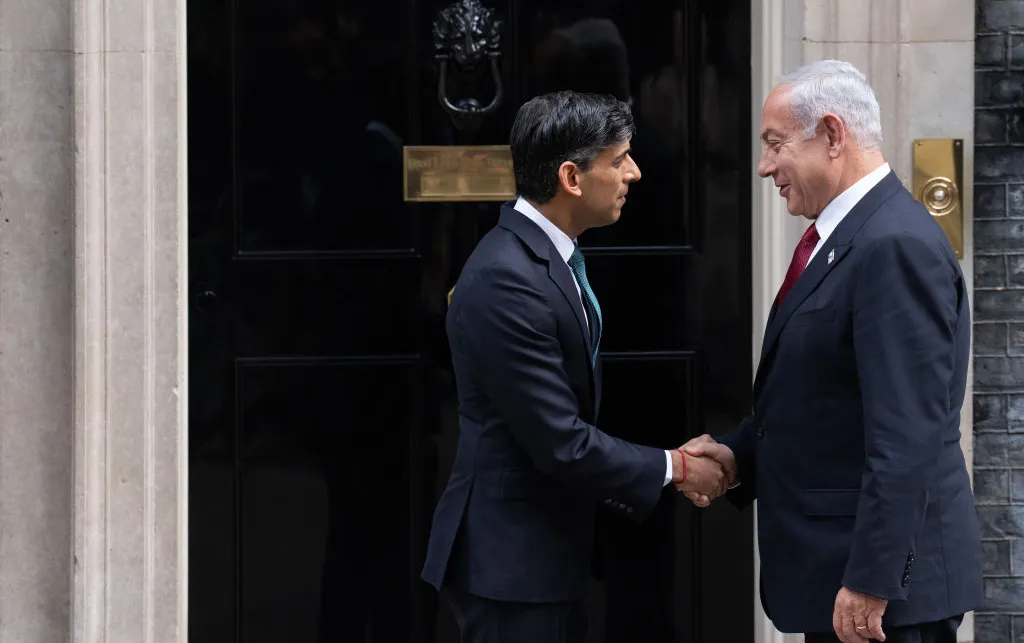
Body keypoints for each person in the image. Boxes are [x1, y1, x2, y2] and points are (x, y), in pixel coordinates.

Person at [682, 60, 983, 643]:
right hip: (842, 581)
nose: (765, 166)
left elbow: (907, 433)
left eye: (774, 145)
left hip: (884, 598)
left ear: (832, 134)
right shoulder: (843, 238)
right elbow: (822, 399)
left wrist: (874, 579)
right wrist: (736, 455)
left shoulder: (893, 245)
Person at [420, 90, 725, 643]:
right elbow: (560, 439)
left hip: (547, 556)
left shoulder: (550, 257)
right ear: (571, 177)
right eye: (618, 159)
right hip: (510, 565)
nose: (634, 172)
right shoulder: (506, 280)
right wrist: (676, 467)